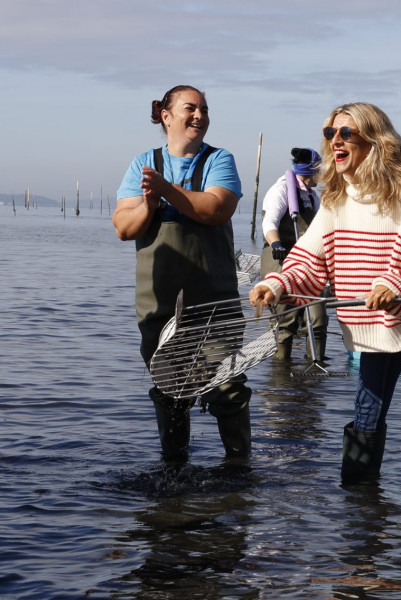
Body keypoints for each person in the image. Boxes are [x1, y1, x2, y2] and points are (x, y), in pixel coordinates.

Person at [249, 102, 401, 500]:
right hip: (375, 317)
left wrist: (394, 282)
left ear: (374, 139)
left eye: (346, 133)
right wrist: (278, 284)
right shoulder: (336, 198)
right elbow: (309, 257)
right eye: (330, 133)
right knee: (367, 407)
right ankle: (358, 504)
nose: (335, 140)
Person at [112, 85, 252, 463]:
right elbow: (124, 227)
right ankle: (174, 472)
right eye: (190, 108)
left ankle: (239, 471)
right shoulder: (143, 162)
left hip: (214, 303)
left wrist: (165, 190)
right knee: (170, 390)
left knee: (227, 385)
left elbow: (216, 210)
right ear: (166, 115)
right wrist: (149, 204)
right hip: (158, 306)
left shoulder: (219, 160)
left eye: (204, 110)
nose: (200, 116)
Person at [260, 147, 329, 361]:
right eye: (321, 171)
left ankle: (315, 372)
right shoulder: (280, 191)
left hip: (306, 259)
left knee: (317, 318)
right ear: (311, 172)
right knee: (286, 320)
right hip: (279, 255)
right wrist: (277, 244)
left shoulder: (312, 196)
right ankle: (280, 377)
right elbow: (269, 223)